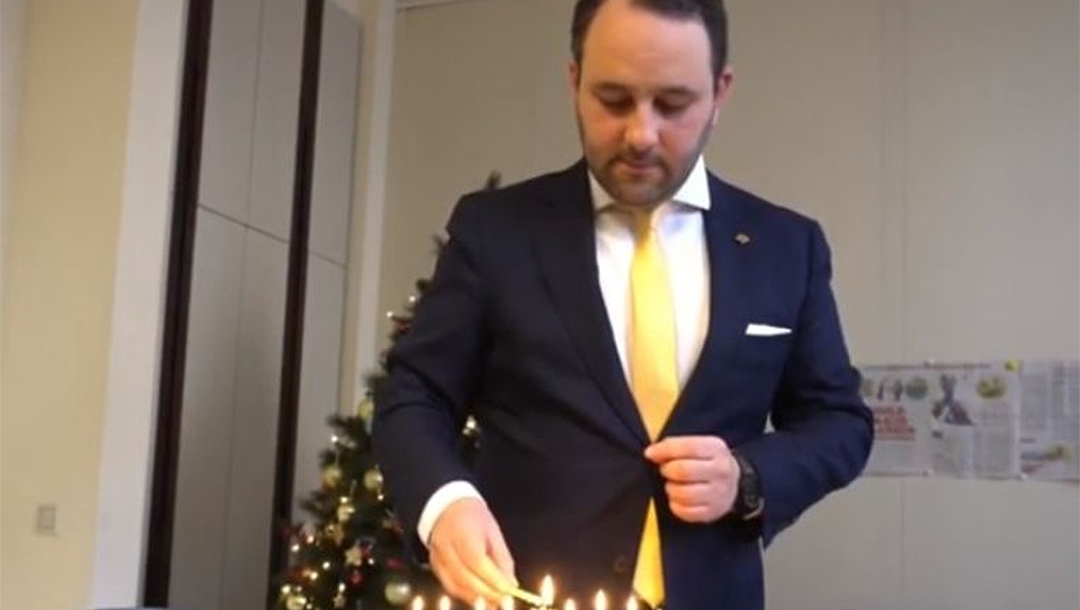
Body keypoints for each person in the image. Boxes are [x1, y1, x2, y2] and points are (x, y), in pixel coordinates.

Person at [372, 1, 873, 608]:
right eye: (613, 100)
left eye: (672, 104)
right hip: (526, 593)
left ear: (721, 92)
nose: (640, 134)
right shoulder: (496, 230)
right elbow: (415, 393)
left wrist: (748, 477)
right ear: (574, 80)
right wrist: (447, 504)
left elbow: (840, 422)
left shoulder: (788, 248)